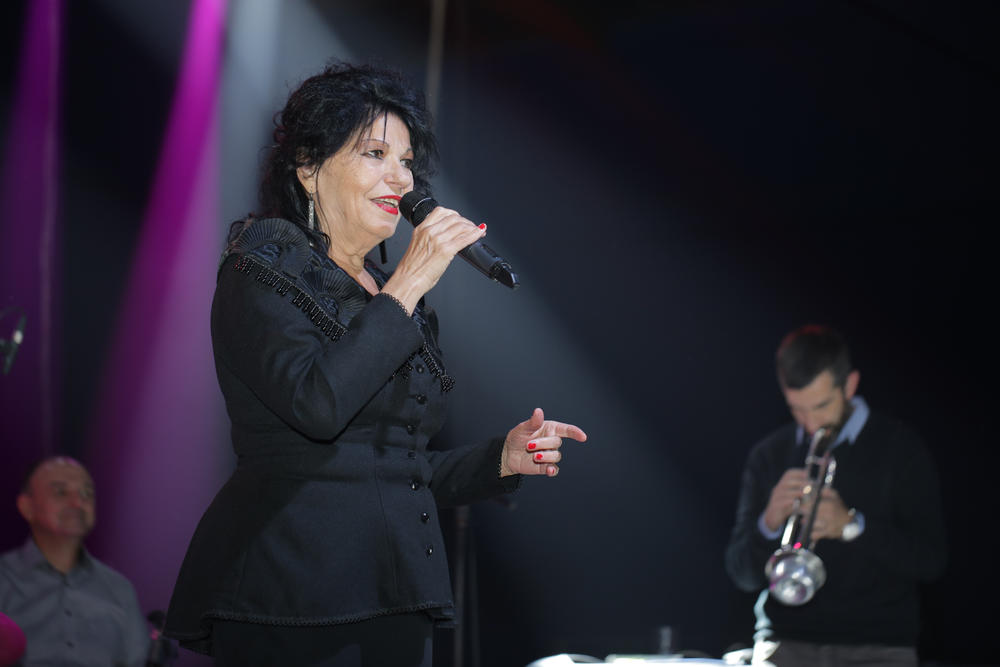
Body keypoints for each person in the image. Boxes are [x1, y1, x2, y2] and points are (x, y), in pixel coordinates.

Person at [163, 61, 587, 666]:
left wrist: (501, 458)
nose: (402, 179)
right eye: (375, 154)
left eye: (407, 161)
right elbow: (317, 406)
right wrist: (408, 282)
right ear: (308, 168)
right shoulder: (262, 269)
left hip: (395, 593)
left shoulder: (388, 296)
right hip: (291, 593)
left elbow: (394, 469)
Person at [724, 325, 947, 666]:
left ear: (850, 385)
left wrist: (852, 526)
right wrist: (769, 522)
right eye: (797, 409)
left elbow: (930, 561)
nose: (811, 423)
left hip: (878, 647)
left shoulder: (901, 449)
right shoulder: (768, 455)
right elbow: (741, 574)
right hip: (784, 643)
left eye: (821, 406)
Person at [0, 456, 150, 666]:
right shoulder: (5, 578)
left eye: (86, 493)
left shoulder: (119, 588)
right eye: (61, 492)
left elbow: (139, 660)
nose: (78, 503)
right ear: (27, 506)